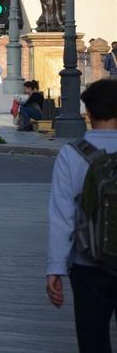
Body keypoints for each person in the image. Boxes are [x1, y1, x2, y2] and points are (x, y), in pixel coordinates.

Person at [47, 78, 117, 352]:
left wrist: (55, 268)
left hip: (88, 262)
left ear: (87, 113)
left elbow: (62, 214)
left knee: (93, 341)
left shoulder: (72, 155)